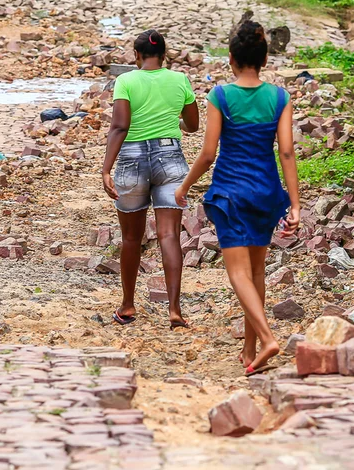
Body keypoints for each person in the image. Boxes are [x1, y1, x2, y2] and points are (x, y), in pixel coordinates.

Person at [175, 20, 301, 374]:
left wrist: (184, 186)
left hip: (231, 193)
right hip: (266, 192)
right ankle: (249, 350)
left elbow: (208, 153)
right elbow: (287, 152)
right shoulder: (279, 97)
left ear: (231, 59)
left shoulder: (221, 96)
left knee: (238, 275)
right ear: (264, 60)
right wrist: (295, 203)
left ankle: (266, 338)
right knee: (257, 272)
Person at [102, 29, 200, 330]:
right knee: (169, 235)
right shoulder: (180, 80)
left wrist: (106, 168)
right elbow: (193, 125)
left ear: (136, 56)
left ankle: (128, 305)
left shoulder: (126, 81)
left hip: (131, 159)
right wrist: (177, 122)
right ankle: (174, 310)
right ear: (165, 55)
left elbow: (120, 126)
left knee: (131, 237)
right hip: (170, 158)